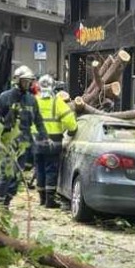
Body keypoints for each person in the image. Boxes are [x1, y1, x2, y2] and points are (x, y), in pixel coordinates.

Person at [0, 65, 47, 214]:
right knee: (6, 173)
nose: (28, 84)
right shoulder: (5, 97)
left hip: (24, 143)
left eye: (29, 82)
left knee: (17, 176)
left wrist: (44, 136)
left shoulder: (32, 100)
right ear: (17, 81)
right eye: (25, 81)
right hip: (7, 142)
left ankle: (6, 202)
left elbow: (39, 120)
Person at [34, 74, 77, 208]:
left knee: (40, 169)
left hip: (36, 141)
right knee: (51, 170)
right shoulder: (57, 102)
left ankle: (41, 198)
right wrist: (71, 131)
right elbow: (70, 122)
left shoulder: (34, 101)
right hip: (53, 142)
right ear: (53, 87)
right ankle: (50, 200)